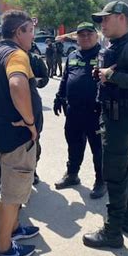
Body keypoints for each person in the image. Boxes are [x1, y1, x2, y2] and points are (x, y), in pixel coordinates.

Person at [83, 1, 128, 249]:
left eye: (106, 18)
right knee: (125, 166)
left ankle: (112, 231)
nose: (101, 24)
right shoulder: (116, 46)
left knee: (114, 173)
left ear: (122, 18)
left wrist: (112, 75)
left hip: (120, 118)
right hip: (115, 116)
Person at [0, 10, 42, 256]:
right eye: (30, 31)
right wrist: (30, 122)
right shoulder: (17, 55)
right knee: (10, 195)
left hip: (1, 132)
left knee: (13, 190)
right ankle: (3, 248)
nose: (33, 37)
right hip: (17, 137)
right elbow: (17, 85)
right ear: (19, 32)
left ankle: (15, 229)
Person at [53, 22, 106, 199]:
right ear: (77, 37)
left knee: (98, 148)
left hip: (95, 111)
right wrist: (59, 96)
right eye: (81, 35)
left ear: (96, 35)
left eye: (89, 34)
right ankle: (72, 174)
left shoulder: (104, 55)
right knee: (73, 143)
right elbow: (66, 76)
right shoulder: (73, 55)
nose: (85, 37)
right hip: (74, 110)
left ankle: (101, 181)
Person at [28, 51, 49, 185]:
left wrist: (37, 82)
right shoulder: (8, 56)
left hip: (32, 103)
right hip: (11, 104)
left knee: (34, 138)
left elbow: (45, 78)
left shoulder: (35, 59)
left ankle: (33, 170)